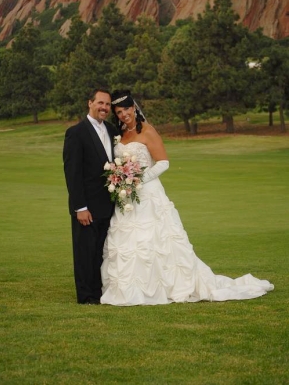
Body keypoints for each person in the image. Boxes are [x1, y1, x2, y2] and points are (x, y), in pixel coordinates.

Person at [100, 90, 274, 306]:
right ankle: (130, 288)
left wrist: (137, 180)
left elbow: (163, 162)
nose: (124, 114)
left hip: (148, 194)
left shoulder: (147, 131)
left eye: (126, 109)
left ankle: (166, 286)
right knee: (129, 241)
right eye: (119, 111)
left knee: (156, 241)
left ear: (134, 107)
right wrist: (122, 180)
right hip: (127, 199)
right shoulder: (121, 134)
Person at [63, 89, 118, 305]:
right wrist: (80, 207)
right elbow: (73, 173)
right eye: (100, 103)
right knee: (85, 252)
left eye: (107, 105)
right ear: (90, 103)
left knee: (100, 252)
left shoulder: (112, 130)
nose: (104, 107)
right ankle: (86, 296)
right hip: (86, 207)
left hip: (108, 205)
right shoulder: (76, 133)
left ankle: (98, 292)